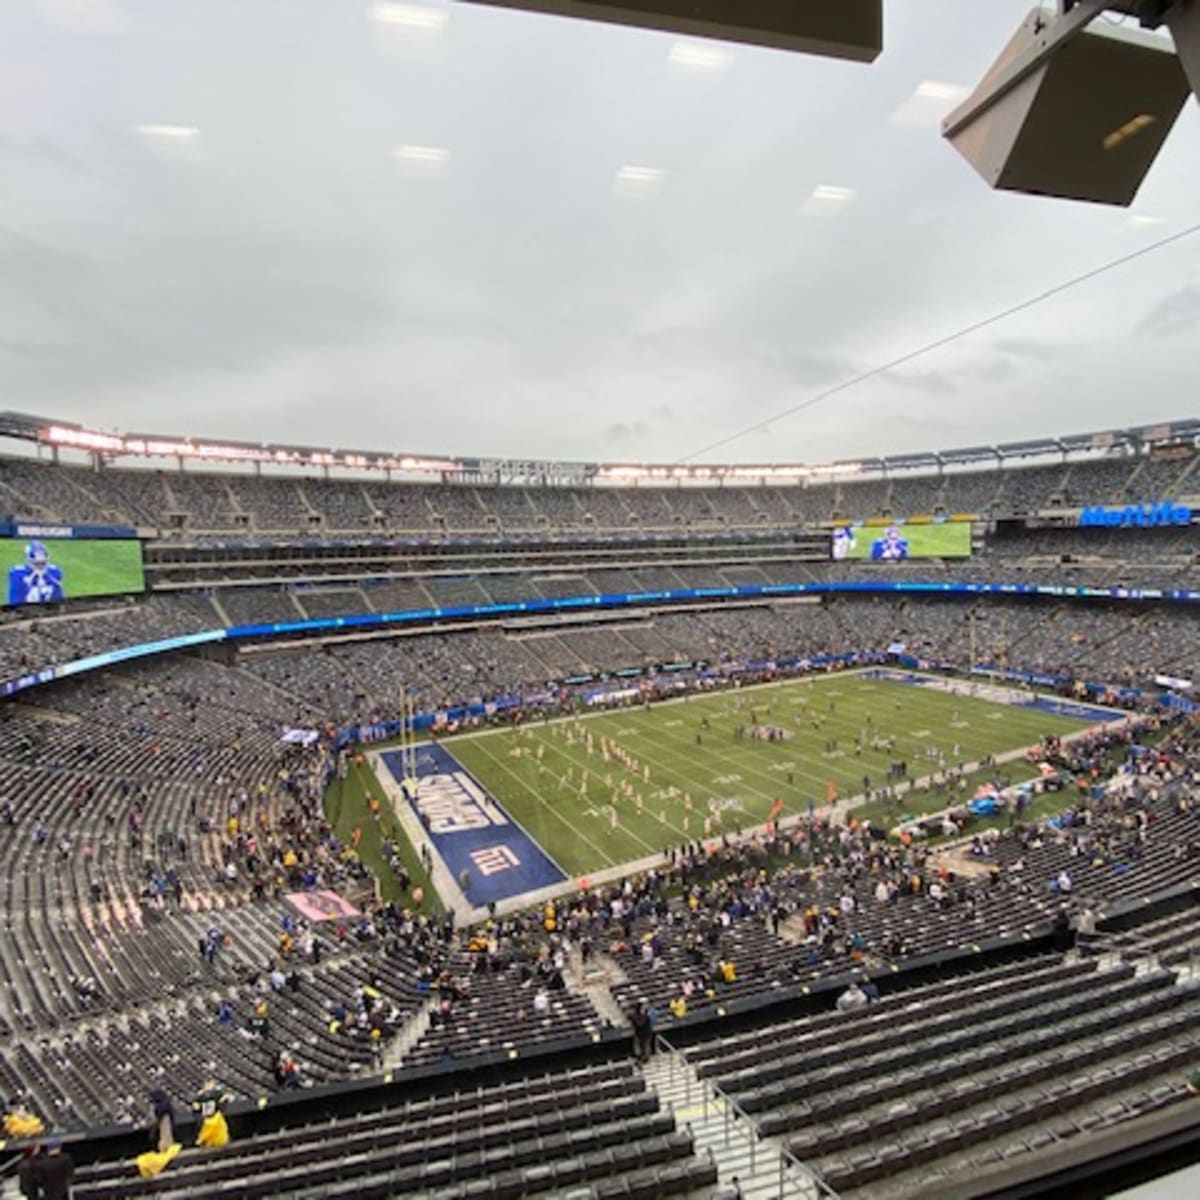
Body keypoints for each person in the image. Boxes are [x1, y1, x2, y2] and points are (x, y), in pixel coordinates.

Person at [8, 541, 65, 606]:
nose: (40, 566)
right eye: (37, 564)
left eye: (43, 563)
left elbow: (59, 598)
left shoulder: (54, 572)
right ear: (28, 561)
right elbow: (15, 601)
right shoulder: (18, 574)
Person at [191, 1079, 232, 1148]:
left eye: (211, 1084)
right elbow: (195, 1106)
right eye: (207, 1084)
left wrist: (224, 1099)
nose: (209, 1087)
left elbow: (226, 1098)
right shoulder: (200, 1096)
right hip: (206, 1120)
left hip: (216, 1118)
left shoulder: (217, 1093)